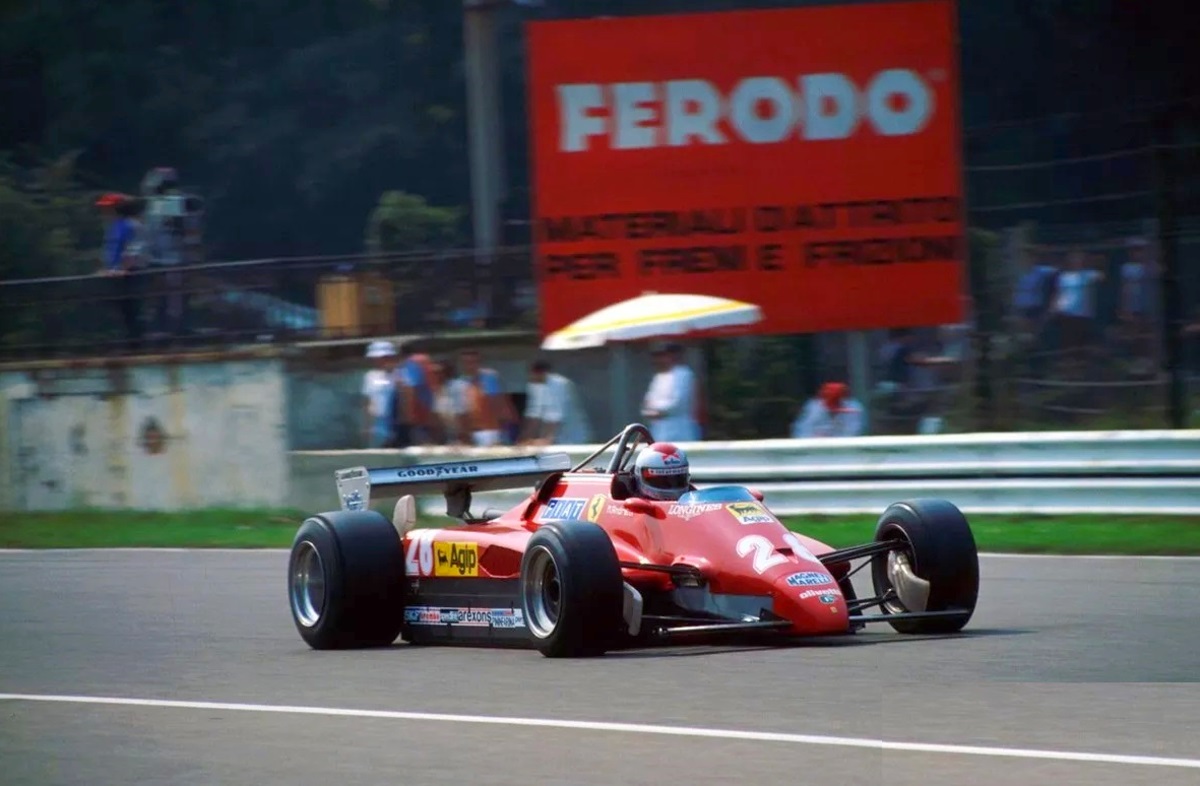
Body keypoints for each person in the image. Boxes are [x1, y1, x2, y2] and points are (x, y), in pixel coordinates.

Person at [520, 359, 592, 446]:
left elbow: (555, 416)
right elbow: (533, 415)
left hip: (573, 438)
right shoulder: (534, 385)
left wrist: (547, 440)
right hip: (555, 439)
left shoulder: (559, 384)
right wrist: (525, 439)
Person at [640, 343, 701, 442]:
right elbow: (648, 401)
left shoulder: (683, 374)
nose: (659, 359)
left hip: (679, 428)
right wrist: (650, 411)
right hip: (659, 428)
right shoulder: (659, 377)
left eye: (664, 355)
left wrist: (657, 410)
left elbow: (678, 403)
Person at [456, 349, 517, 447]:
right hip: (470, 432)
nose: (470, 365)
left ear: (479, 363)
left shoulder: (489, 378)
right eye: (466, 362)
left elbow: (500, 404)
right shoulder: (460, 382)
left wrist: (505, 430)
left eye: (473, 362)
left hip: (490, 431)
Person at [791, 382, 865, 438]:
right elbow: (800, 431)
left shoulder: (853, 408)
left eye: (837, 400)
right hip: (814, 450)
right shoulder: (813, 407)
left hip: (845, 451)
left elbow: (854, 433)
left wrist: (831, 437)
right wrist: (814, 437)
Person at [361, 340, 398, 448]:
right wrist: (367, 426)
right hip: (377, 424)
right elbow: (368, 401)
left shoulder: (400, 374)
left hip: (395, 422)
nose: (379, 361)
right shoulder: (370, 376)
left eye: (385, 358)